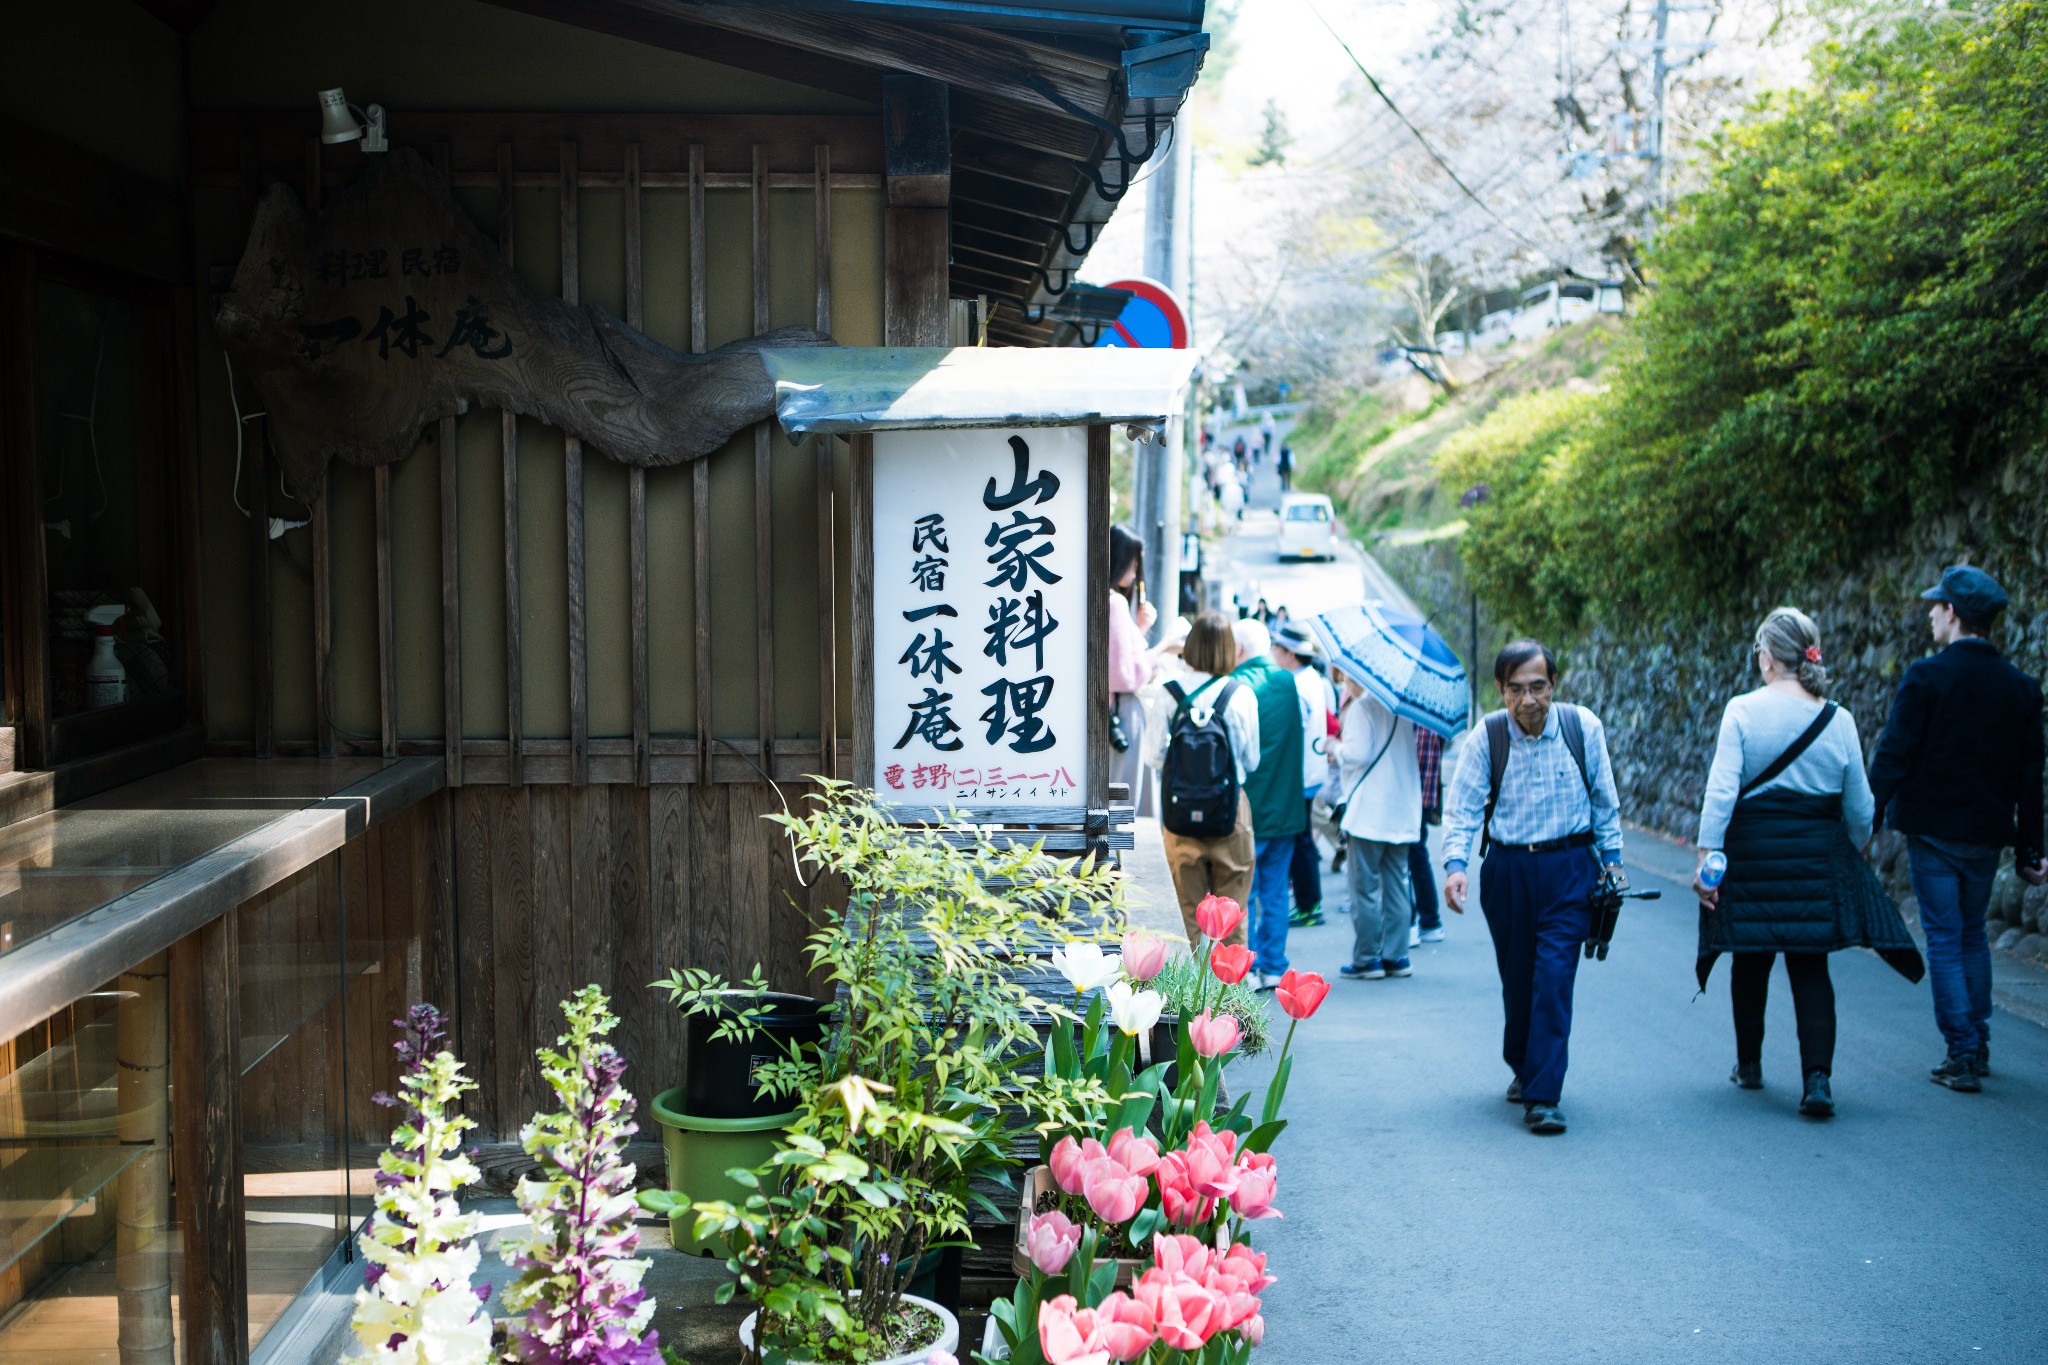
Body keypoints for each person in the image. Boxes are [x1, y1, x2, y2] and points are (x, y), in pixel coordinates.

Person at [1693, 608, 1923, 1120]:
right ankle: (1817, 1081)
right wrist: (1855, 847)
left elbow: (1722, 790)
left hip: (1753, 854)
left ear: (1769, 658)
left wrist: (1708, 857)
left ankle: (1749, 1065)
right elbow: (1861, 806)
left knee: (1749, 957)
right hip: (1815, 855)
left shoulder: (1743, 711)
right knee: (1810, 965)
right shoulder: (1837, 718)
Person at [1867, 566, 2047, 1092]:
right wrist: (2032, 846)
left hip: (1932, 832)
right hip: (1987, 835)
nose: (1929, 613)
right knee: (1972, 936)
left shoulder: (1926, 678)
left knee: (1944, 938)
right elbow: (2029, 775)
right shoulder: (2021, 688)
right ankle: (1979, 1040)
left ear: (1953, 614)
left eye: (1936, 605)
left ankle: (1962, 1051)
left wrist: (1867, 823)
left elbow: (1893, 757)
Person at [1442, 640, 1626, 1136]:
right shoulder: (1488, 737)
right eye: (1517, 689)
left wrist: (1613, 862)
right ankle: (1523, 1064)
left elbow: (1605, 802)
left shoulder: (1582, 728)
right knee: (1519, 977)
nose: (1529, 700)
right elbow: (1462, 808)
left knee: (1553, 977)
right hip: (1508, 874)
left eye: (1538, 687)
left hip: (1570, 870)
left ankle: (1544, 1095)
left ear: (1554, 685)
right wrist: (1456, 864)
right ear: (1500, 690)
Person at [1145, 611, 1261, 949]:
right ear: (1228, 649)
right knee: (1232, 913)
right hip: (1229, 812)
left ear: (1191, 646)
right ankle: (1232, 996)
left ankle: (1193, 999)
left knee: (1188, 912)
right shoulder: (1240, 694)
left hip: (1180, 816)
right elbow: (1251, 760)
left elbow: (1154, 756)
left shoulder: (1168, 693)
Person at [1232, 617, 1308, 990]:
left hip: (1251, 809)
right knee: (1277, 891)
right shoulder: (1286, 681)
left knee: (1245, 890)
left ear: (1240, 649)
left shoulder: (1237, 685)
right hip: (1288, 806)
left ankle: (1247, 966)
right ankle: (1274, 965)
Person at [1333, 668, 1422, 981]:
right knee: (1398, 884)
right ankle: (1396, 955)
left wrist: (1334, 749)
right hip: (1402, 808)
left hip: (1369, 812)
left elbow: (1357, 754)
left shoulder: (1363, 707)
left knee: (1366, 887)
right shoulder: (1405, 709)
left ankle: (1368, 958)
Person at [1272, 621, 1334, 928]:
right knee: (1303, 838)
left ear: (1289, 654)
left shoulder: (1296, 684)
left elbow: (1294, 725)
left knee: (1301, 840)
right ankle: (1309, 903)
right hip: (1311, 770)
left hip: (1300, 773)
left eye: (1277, 649)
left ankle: (1310, 905)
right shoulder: (1312, 678)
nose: (1273, 654)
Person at [1108, 524, 1172, 817]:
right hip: (1122, 712)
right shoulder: (1115, 602)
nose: (1135, 575)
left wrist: (1140, 629)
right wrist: (1162, 649)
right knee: (1124, 802)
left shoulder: (1097, 597)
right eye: (1133, 565)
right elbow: (1125, 675)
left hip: (1108, 715)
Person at [1408, 727, 1446, 946]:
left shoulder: (1417, 721)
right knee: (1417, 855)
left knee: (1406, 857)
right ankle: (1430, 921)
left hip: (1411, 794)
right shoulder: (1432, 716)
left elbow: (1416, 760)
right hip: (1424, 794)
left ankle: (1413, 923)